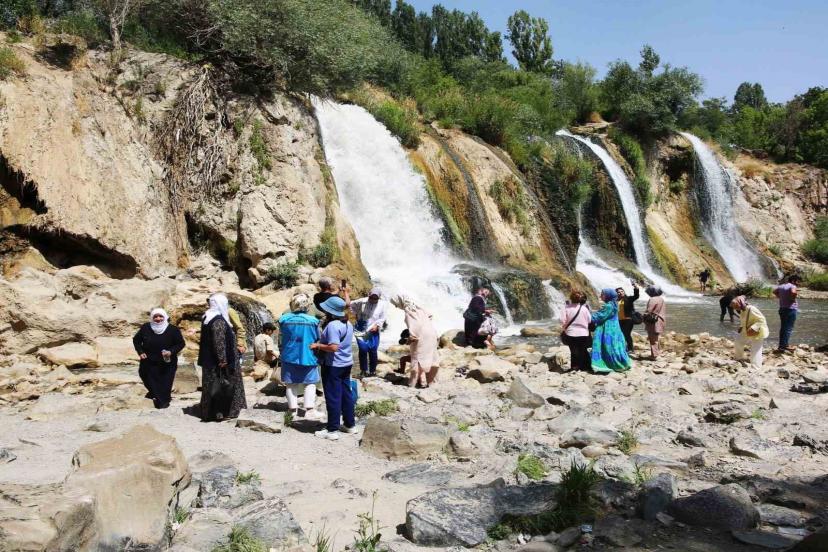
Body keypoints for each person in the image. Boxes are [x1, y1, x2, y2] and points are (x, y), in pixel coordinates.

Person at [311, 296, 356, 440]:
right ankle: (349, 425)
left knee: (333, 397)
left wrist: (317, 345)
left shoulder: (332, 326)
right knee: (346, 394)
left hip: (333, 365)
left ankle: (332, 430)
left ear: (330, 311)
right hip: (346, 363)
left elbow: (333, 347)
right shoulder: (348, 323)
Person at [198, 293, 247, 421]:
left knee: (211, 387)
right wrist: (223, 360)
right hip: (221, 362)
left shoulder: (207, 317)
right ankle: (226, 411)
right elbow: (219, 342)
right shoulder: (218, 321)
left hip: (209, 361)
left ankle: (209, 411)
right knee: (225, 386)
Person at [278, 293, 322, 420]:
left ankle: (292, 411)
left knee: (291, 384)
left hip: (289, 355)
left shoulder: (284, 319)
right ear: (307, 305)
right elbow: (318, 338)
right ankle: (309, 410)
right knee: (310, 383)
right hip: (308, 356)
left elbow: (281, 338)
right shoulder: (314, 321)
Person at [132, 308, 185, 409]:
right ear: (152, 317)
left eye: (161, 316)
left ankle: (163, 401)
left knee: (165, 381)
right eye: (155, 316)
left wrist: (171, 351)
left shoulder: (173, 329)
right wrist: (140, 352)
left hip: (167, 361)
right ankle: (154, 393)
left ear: (165, 317)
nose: (158, 319)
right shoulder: (146, 327)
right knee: (145, 376)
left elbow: (181, 343)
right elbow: (136, 340)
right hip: (149, 360)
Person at [392, 296, 439, 388]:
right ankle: (431, 382)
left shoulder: (409, 311)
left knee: (416, 359)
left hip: (421, 336)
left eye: (396, 304)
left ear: (401, 302)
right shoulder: (419, 308)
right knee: (430, 358)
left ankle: (414, 383)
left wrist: (410, 338)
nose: (396, 306)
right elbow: (430, 316)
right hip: (432, 333)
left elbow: (414, 327)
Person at [590, 288, 632, 374]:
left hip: (608, 329)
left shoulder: (608, 306)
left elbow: (599, 316)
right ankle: (621, 362)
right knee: (614, 345)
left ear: (608, 296)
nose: (601, 296)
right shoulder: (614, 304)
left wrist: (587, 316)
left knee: (607, 345)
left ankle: (610, 364)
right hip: (615, 328)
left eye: (602, 294)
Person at [350, 287, 387, 376]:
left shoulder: (382, 305)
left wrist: (377, 325)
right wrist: (355, 314)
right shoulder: (362, 301)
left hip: (373, 330)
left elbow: (382, 318)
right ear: (368, 295)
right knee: (363, 349)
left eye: (376, 298)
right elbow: (350, 304)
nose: (373, 300)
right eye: (371, 297)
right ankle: (363, 370)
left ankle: (372, 371)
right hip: (360, 329)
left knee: (373, 350)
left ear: (379, 297)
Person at [731, 295, 769, 369]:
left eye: (735, 306)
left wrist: (754, 328)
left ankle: (756, 367)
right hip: (746, 331)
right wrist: (741, 327)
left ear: (739, 304)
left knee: (756, 349)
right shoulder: (742, 309)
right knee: (738, 341)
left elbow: (762, 319)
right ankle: (738, 358)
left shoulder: (751, 309)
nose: (734, 308)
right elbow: (744, 320)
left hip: (757, 331)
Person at [559, 291, 592, 371]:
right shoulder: (584, 308)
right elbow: (589, 320)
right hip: (584, 333)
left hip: (570, 332)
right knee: (583, 350)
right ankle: (585, 366)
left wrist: (564, 326)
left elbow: (562, 320)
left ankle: (575, 367)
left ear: (571, 298)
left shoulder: (566, 308)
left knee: (573, 351)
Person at [773, 274, 800, 353]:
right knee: (788, 328)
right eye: (797, 281)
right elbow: (793, 292)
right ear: (793, 281)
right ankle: (785, 346)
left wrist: (781, 297)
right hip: (790, 309)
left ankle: (781, 346)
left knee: (783, 328)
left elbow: (774, 291)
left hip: (782, 309)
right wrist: (792, 299)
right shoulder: (792, 286)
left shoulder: (781, 286)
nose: (798, 284)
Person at [643, 286, 666, 360]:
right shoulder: (661, 299)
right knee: (656, 337)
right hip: (661, 320)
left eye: (649, 292)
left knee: (653, 339)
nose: (648, 293)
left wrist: (642, 317)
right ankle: (658, 352)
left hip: (653, 321)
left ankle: (654, 355)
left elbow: (649, 310)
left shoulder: (652, 299)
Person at [616, 282, 639, 353]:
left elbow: (636, 296)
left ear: (624, 292)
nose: (620, 293)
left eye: (622, 291)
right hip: (619, 320)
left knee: (626, 333)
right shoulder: (616, 301)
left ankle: (630, 348)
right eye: (618, 292)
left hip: (628, 320)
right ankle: (623, 347)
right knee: (620, 334)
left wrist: (636, 288)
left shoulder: (628, 299)